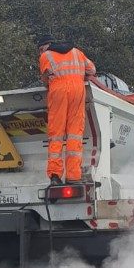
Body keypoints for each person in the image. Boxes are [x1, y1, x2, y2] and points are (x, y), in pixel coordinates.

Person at [37, 35, 96, 185]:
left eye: (40, 49)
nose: (40, 52)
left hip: (58, 91)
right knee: (74, 134)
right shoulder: (77, 52)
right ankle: (73, 176)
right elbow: (92, 69)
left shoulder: (46, 56)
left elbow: (45, 79)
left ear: (46, 45)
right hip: (78, 90)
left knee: (56, 134)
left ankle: (55, 175)